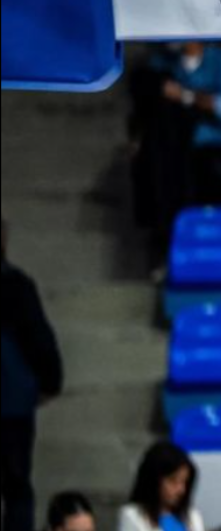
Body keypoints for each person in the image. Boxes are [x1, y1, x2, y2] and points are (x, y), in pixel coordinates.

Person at [128, 0, 221, 271]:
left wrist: (188, 97)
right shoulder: (167, 65)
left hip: (210, 143)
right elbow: (151, 92)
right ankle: (165, 247)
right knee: (157, 158)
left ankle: (205, 252)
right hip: (174, 146)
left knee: (193, 166)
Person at [1, 219, 64, 531]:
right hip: (11, 404)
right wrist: (51, 383)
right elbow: (39, 339)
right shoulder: (16, 286)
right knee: (16, 488)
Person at [119, 441, 205, 531]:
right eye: (173, 481)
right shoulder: (133, 517)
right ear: (154, 480)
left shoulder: (192, 516)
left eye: (184, 482)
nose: (181, 489)